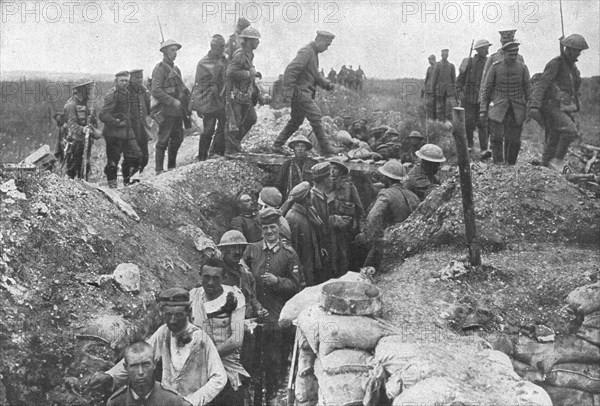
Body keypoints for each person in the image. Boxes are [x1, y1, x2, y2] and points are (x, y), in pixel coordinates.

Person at [88, 288, 227, 406]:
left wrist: (192, 401)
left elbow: (219, 378)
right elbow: (138, 357)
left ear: (188, 312)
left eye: (178, 315)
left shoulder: (201, 339)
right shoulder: (163, 333)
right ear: (162, 313)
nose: (172, 320)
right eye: (168, 315)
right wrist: (110, 375)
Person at [242, 208, 301, 406]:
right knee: (255, 362)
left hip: (277, 319)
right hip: (256, 317)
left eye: (272, 227)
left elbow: (297, 286)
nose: (269, 231)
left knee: (275, 362)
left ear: (279, 228)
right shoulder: (253, 250)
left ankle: (273, 397)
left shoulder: (289, 254)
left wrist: (278, 281)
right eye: (265, 228)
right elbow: (245, 278)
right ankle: (257, 399)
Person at [189, 258, 248, 406]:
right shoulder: (193, 296)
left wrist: (209, 357)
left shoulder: (234, 296)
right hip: (198, 367)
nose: (210, 282)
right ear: (200, 275)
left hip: (226, 366)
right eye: (206, 277)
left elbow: (236, 339)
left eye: (216, 278)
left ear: (223, 278)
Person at [272, 31, 342, 156]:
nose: (326, 48)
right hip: (300, 93)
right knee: (315, 115)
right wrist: (288, 92)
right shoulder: (306, 52)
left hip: (304, 93)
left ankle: (277, 144)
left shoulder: (313, 53)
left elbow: (314, 74)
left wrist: (326, 84)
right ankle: (326, 148)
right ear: (319, 40)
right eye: (326, 45)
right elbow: (290, 70)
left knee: (296, 121)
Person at [528, 34, 589, 171]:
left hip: (564, 107)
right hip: (551, 105)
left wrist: (575, 73)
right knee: (570, 130)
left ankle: (546, 168)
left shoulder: (571, 66)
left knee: (554, 137)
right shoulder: (556, 63)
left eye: (580, 51)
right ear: (569, 49)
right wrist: (534, 106)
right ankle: (557, 161)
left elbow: (574, 87)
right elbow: (542, 85)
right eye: (577, 51)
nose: (579, 54)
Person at [354, 160, 419, 270]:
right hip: (409, 243)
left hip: (389, 243)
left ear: (386, 178)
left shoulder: (386, 194)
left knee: (367, 273)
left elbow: (373, 217)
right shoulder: (413, 196)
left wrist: (367, 237)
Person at [480, 41, 531, 165]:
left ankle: (511, 163)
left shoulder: (522, 67)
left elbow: (528, 89)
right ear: (503, 54)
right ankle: (498, 163)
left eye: (515, 54)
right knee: (496, 137)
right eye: (510, 55)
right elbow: (486, 88)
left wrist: (529, 108)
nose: (513, 57)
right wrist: (483, 109)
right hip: (498, 106)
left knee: (514, 140)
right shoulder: (495, 67)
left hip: (517, 107)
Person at [225, 27, 270, 154]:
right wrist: (248, 73)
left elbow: (248, 71)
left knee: (251, 118)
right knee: (235, 122)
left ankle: (235, 144)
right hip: (236, 94)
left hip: (246, 94)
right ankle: (229, 150)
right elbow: (230, 72)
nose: (258, 43)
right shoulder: (240, 54)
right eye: (256, 40)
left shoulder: (249, 54)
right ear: (249, 41)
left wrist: (254, 74)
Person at [106, 342, 190, 406]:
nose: (140, 372)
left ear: (154, 364)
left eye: (146, 364)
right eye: (134, 366)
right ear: (126, 367)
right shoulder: (116, 402)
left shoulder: (172, 400)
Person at [151, 39, 191, 174]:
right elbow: (156, 90)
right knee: (163, 140)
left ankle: (171, 168)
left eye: (176, 50)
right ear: (164, 52)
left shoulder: (176, 69)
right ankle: (158, 170)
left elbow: (181, 87)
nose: (175, 53)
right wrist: (172, 101)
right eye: (172, 50)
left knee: (178, 138)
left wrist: (187, 97)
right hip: (165, 110)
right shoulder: (159, 69)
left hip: (177, 111)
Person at [99, 71, 142, 188]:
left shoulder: (128, 94)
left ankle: (131, 185)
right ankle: (112, 188)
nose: (125, 83)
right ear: (116, 81)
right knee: (113, 163)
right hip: (114, 134)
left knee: (136, 156)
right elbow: (103, 114)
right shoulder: (112, 95)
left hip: (128, 132)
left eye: (126, 81)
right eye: (122, 81)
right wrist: (116, 122)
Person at [192, 34, 228, 161]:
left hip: (223, 100)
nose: (222, 49)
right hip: (209, 102)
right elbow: (199, 87)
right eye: (220, 47)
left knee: (225, 127)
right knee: (208, 130)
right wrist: (199, 106)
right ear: (212, 47)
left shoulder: (225, 60)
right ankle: (202, 157)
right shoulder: (203, 63)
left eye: (223, 47)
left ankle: (217, 153)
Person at [283, 181, 323, 286]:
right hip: (304, 269)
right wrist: (300, 275)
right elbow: (293, 249)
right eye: (310, 194)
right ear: (306, 198)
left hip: (314, 261)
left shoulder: (310, 211)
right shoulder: (292, 218)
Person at [330, 159, 364, 276]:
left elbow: (360, 211)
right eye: (330, 168)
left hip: (345, 232)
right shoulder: (326, 187)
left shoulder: (349, 188)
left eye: (335, 169)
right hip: (329, 229)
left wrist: (361, 230)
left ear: (341, 172)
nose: (332, 171)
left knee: (344, 257)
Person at [456, 39, 491, 156]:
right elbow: (460, 80)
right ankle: (469, 145)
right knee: (468, 122)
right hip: (468, 97)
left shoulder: (488, 62)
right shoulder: (468, 62)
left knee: (483, 123)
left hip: (482, 98)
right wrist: (459, 92)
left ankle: (484, 149)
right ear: (479, 50)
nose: (487, 51)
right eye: (485, 48)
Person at [63, 81, 100, 179]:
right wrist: (83, 129)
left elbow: (94, 124)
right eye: (87, 89)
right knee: (72, 167)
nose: (89, 92)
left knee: (85, 166)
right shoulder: (71, 105)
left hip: (86, 141)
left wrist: (92, 128)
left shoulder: (88, 105)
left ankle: (83, 186)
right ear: (80, 91)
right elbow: (72, 125)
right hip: (75, 141)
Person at [310, 162, 337, 282]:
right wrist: (321, 247)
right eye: (330, 176)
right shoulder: (312, 198)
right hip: (318, 248)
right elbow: (314, 227)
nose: (332, 179)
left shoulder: (322, 196)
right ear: (325, 179)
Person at [275, 134, 318, 200]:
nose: (300, 149)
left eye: (303, 146)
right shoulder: (287, 164)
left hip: (309, 200)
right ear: (294, 148)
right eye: (297, 146)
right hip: (291, 200)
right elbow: (279, 183)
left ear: (306, 148)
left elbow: (319, 183)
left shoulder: (313, 164)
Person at [128, 69, 152, 176]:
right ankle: (131, 181)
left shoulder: (143, 91)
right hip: (131, 129)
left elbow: (149, 108)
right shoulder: (127, 92)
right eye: (137, 77)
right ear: (131, 79)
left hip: (142, 128)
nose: (140, 80)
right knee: (134, 157)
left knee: (145, 157)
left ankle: (134, 177)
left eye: (141, 77)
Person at [431, 49, 457, 122]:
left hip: (449, 92)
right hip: (439, 91)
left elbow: (454, 80)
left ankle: (448, 125)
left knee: (449, 110)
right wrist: (433, 91)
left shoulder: (451, 66)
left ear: (448, 55)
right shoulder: (438, 65)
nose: (444, 56)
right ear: (441, 55)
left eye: (446, 55)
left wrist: (454, 92)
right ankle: (440, 125)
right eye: (443, 55)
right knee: (439, 109)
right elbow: (434, 79)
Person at [422, 55, 437, 121]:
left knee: (435, 106)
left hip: (435, 90)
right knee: (429, 106)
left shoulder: (437, 68)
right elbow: (426, 79)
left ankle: (434, 119)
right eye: (429, 60)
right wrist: (424, 88)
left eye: (430, 60)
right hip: (428, 90)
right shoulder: (429, 68)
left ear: (433, 59)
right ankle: (429, 119)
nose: (429, 62)